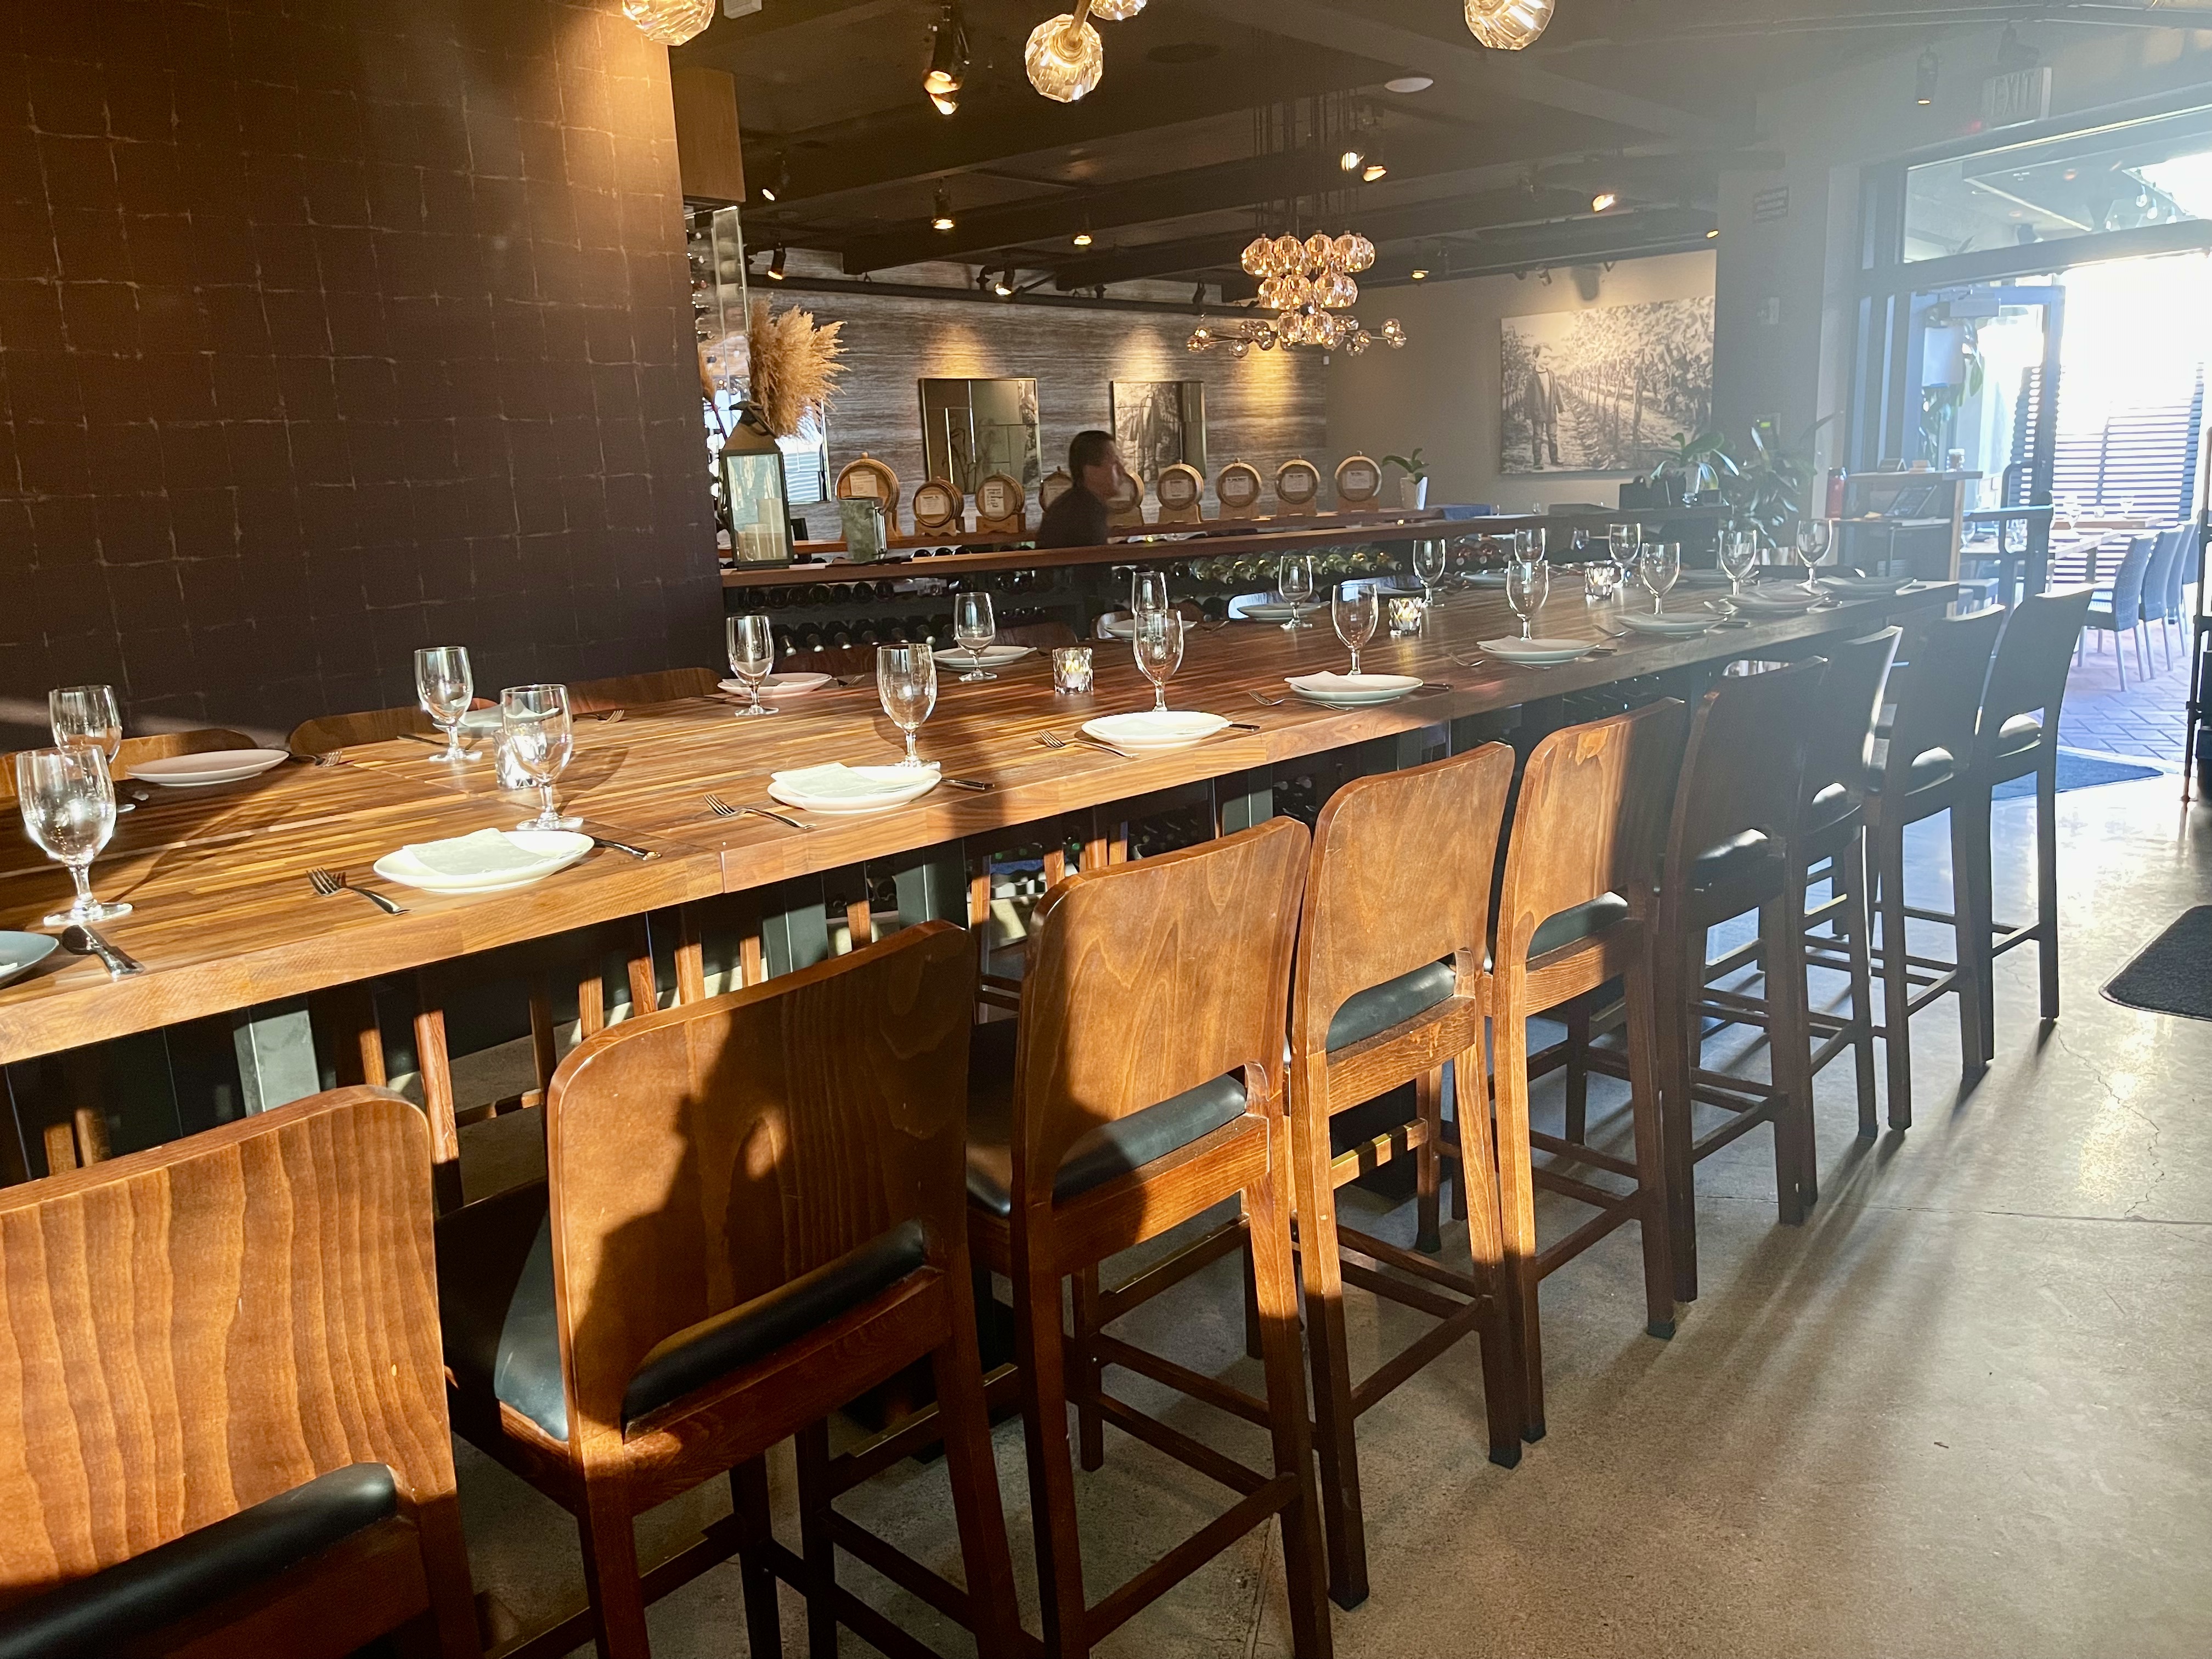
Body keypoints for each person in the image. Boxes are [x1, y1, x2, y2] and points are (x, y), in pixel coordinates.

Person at [1037, 430, 1127, 548]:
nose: (1122, 471)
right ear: (1090, 470)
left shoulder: (1084, 504)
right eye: (1114, 463)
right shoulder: (1080, 513)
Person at [1522, 344, 1561, 469]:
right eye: (1545, 357)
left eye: (1550, 357)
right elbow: (1527, 398)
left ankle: (1554, 459)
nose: (1548, 360)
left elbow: (1557, 391)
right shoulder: (1532, 377)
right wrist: (1528, 415)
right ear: (1535, 357)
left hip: (1551, 411)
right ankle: (1538, 461)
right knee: (1538, 437)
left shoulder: (1552, 374)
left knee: (1553, 437)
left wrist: (1560, 406)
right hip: (1538, 412)